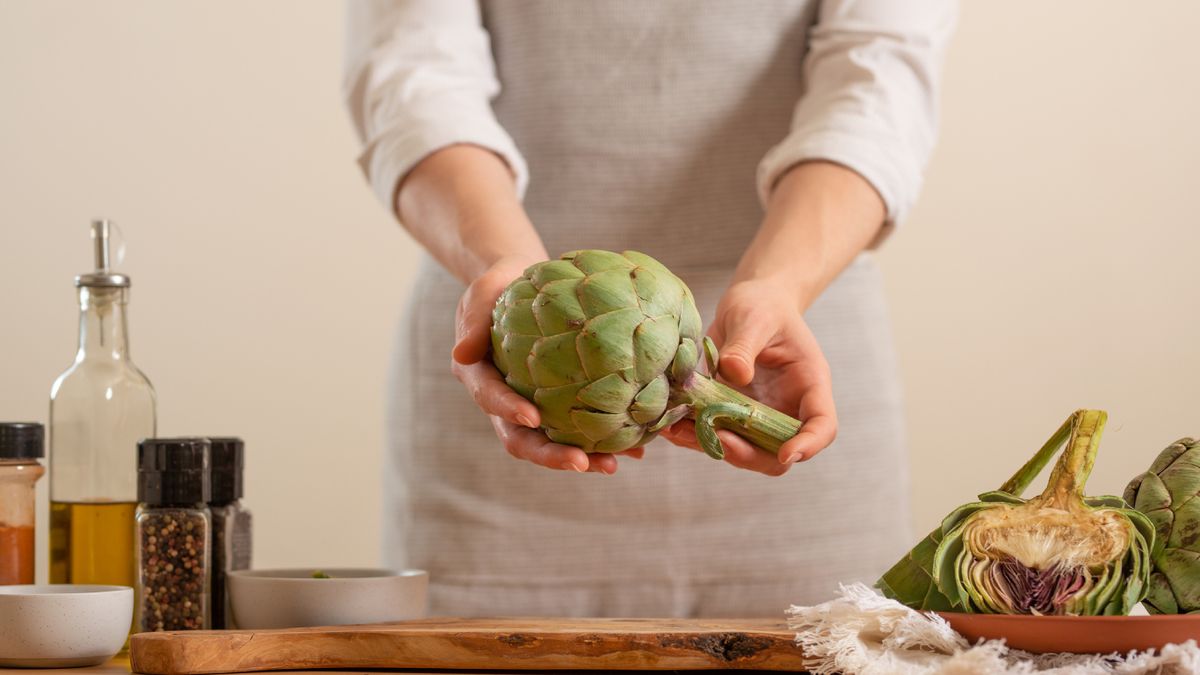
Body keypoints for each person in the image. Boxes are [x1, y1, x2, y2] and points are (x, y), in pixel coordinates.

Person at [344, 0, 955, 617]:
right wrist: (519, 286)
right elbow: (414, 79)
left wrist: (777, 285)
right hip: (505, 364)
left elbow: (880, 79)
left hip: (788, 348)